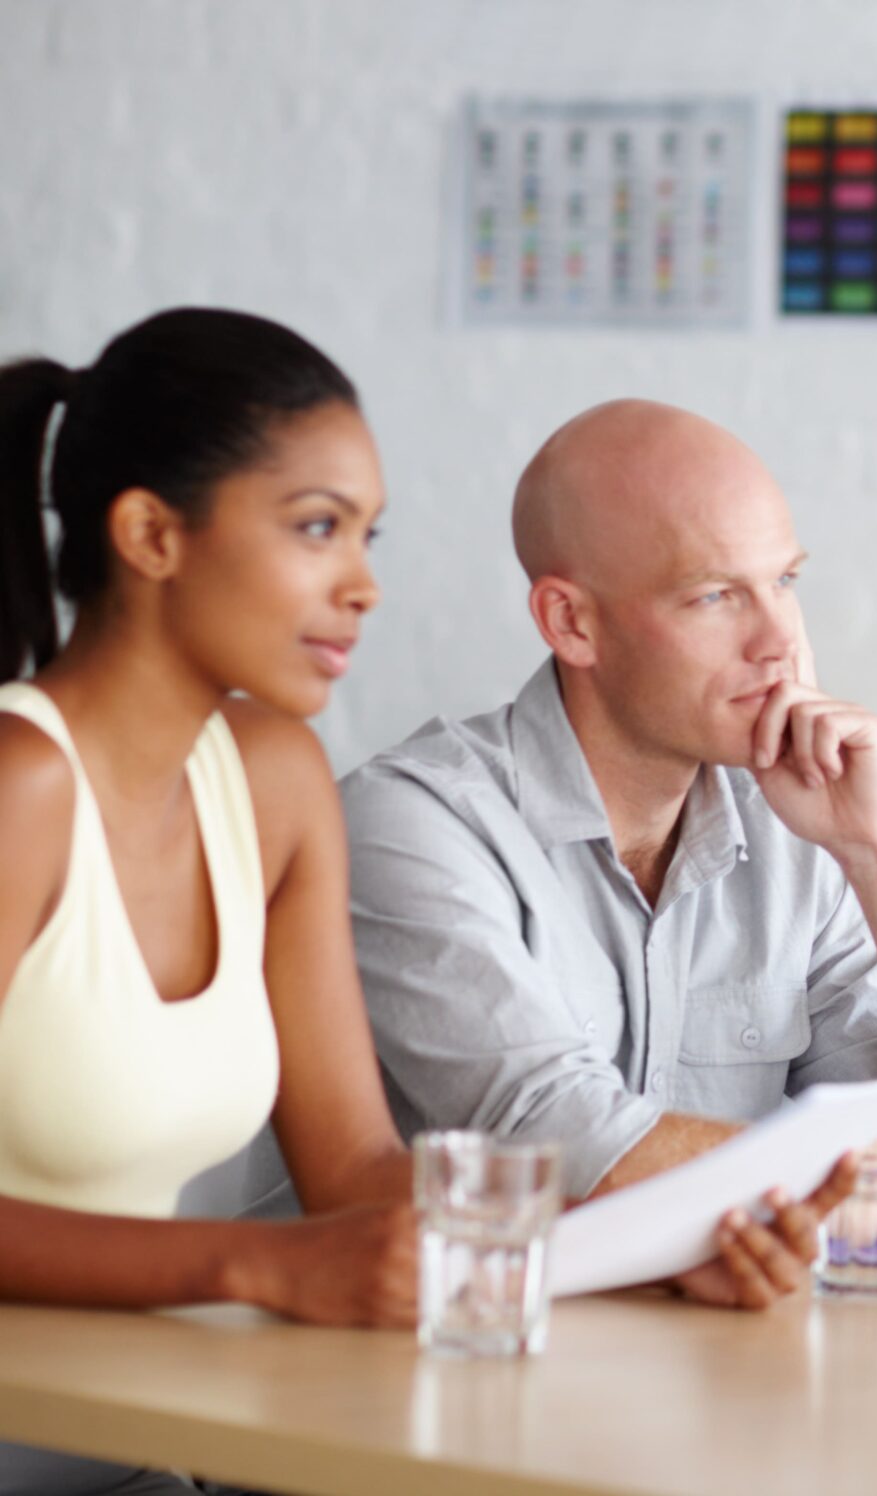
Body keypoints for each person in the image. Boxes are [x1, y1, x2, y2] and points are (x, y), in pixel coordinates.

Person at [0, 314, 827, 1496]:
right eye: (316, 528)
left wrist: (638, 1254)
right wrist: (257, 1266)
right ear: (150, 535)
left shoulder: (276, 777)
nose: (364, 584)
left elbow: (357, 1170)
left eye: (367, 534)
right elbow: (302, 1239)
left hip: (152, 1448)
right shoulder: (21, 780)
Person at [341, 400, 877, 1246]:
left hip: (720, 1352)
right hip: (450, 1356)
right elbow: (575, 1153)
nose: (779, 641)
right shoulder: (413, 823)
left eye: (786, 582)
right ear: (571, 622)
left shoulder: (800, 827)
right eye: (716, 595)